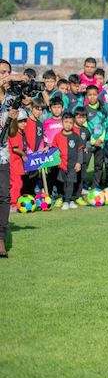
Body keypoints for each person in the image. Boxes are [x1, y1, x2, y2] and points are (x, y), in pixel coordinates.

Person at [0, 63, 28, 257]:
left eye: (8, 72)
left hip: (2, 156)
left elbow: (11, 133)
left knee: (3, 197)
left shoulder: (11, 98)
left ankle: (0, 238)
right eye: (2, 72)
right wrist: (8, 80)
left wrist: (13, 119)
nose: (6, 75)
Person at [52, 112, 84, 210]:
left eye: (70, 122)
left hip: (72, 165)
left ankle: (66, 201)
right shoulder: (57, 136)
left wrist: (79, 162)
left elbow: (80, 151)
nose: (68, 124)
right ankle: (68, 200)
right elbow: (54, 150)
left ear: (73, 123)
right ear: (62, 123)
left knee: (70, 182)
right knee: (63, 183)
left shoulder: (76, 136)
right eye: (66, 122)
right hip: (61, 165)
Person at [84, 85, 107, 189]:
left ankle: (95, 187)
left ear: (98, 95)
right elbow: (84, 127)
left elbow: (106, 125)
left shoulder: (103, 108)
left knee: (98, 166)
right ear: (86, 96)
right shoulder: (84, 110)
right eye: (90, 95)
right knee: (84, 164)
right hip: (89, 143)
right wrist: (93, 140)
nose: (92, 97)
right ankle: (81, 186)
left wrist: (101, 139)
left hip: (101, 143)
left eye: (94, 94)